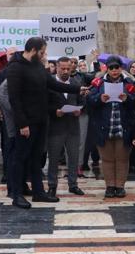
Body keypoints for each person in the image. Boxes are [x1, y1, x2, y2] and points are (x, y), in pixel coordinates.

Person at [6, 37, 86, 209]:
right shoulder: (15, 67)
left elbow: (53, 84)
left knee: (37, 158)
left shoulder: (37, 66)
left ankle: (38, 192)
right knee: (20, 158)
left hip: (41, 121)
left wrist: (79, 89)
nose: (45, 55)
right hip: (26, 123)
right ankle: (16, 194)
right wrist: (22, 124)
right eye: (43, 52)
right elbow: (14, 98)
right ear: (33, 50)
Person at [88, 55, 135, 199]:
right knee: (107, 159)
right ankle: (110, 186)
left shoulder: (128, 83)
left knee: (122, 159)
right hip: (104, 127)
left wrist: (127, 99)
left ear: (121, 68)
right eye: (111, 68)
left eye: (117, 67)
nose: (114, 70)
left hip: (123, 126)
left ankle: (120, 186)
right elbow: (89, 100)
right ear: (107, 69)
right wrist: (99, 99)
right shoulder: (98, 83)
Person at [46, 57, 85, 196]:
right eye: (62, 69)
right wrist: (54, 111)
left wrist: (79, 110)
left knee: (73, 157)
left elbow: (82, 101)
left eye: (68, 69)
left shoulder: (76, 83)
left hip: (73, 126)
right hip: (55, 127)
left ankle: (73, 185)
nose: (65, 71)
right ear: (56, 67)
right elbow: (44, 103)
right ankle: (52, 186)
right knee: (54, 158)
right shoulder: (49, 82)